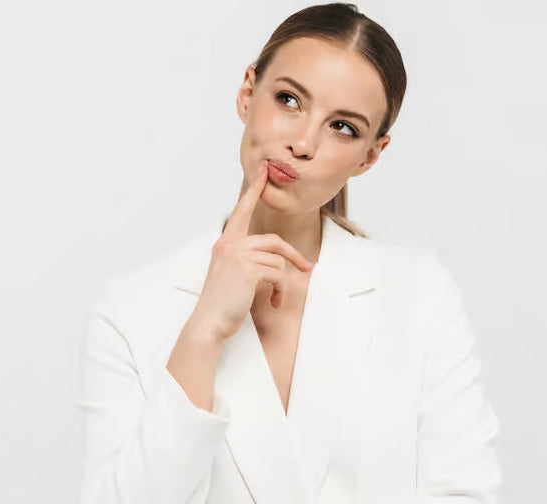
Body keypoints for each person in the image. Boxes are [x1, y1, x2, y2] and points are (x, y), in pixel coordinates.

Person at [78, 3, 501, 503]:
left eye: (342, 127)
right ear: (246, 93)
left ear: (371, 155)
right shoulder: (131, 310)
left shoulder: (418, 295)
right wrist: (205, 329)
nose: (302, 143)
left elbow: (462, 493)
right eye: (289, 99)